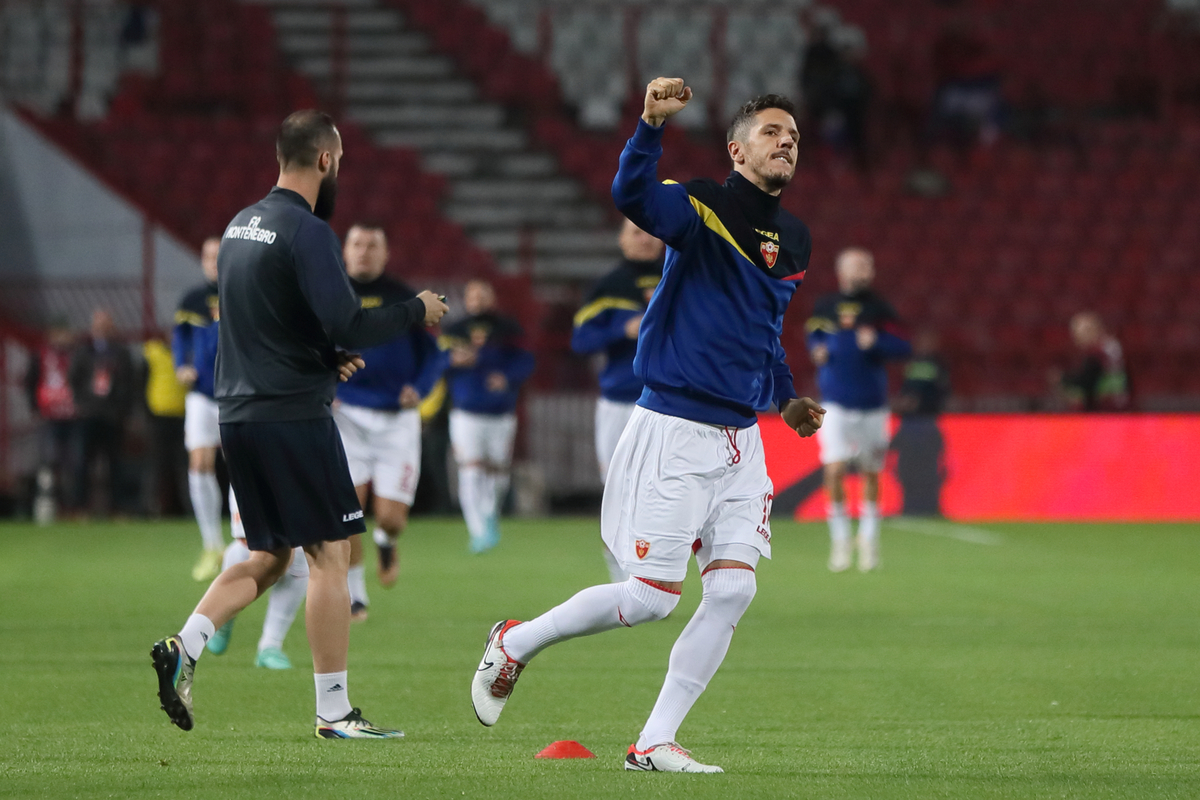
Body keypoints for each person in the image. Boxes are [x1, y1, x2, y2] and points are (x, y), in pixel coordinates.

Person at [470, 80, 824, 773]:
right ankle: (515, 641)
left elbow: (766, 330)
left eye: (794, 136)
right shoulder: (702, 206)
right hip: (676, 429)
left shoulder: (797, 237)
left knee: (733, 589)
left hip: (742, 441)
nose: (786, 141)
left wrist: (783, 399)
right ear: (737, 150)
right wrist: (649, 126)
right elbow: (633, 198)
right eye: (771, 132)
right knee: (651, 599)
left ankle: (654, 741)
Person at [150, 109, 449, 739]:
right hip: (292, 418)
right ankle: (334, 712)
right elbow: (349, 322)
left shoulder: (239, 226)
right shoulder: (306, 230)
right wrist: (414, 309)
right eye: (338, 162)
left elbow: (262, 325)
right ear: (324, 161)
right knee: (330, 555)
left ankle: (186, 645)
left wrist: (319, 361)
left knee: (267, 554)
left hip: (239, 415)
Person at [333, 221, 446, 620]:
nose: (364, 251)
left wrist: (421, 385)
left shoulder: (406, 300)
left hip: (397, 419)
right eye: (357, 244)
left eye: (372, 245)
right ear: (345, 251)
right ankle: (356, 595)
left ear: (385, 253)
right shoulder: (331, 296)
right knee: (348, 511)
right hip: (345, 414)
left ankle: (386, 541)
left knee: (391, 518)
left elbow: (437, 354)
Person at [806, 248, 911, 572]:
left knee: (870, 471)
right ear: (842, 271)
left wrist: (877, 342)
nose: (861, 272)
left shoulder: (880, 308)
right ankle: (840, 539)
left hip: (873, 405)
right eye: (856, 266)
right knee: (835, 469)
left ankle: (868, 538)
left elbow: (904, 346)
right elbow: (814, 335)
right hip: (835, 402)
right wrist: (816, 349)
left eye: (866, 266)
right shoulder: (825, 305)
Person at [571, 218, 664, 582]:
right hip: (618, 402)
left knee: (660, 490)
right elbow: (581, 341)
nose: (645, 239)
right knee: (616, 491)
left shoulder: (680, 274)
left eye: (650, 232)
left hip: (667, 404)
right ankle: (620, 579)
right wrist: (619, 330)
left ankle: (653, 575)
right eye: (636, 232)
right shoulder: (608, 286)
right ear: (621, 238)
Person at [440, 279, 535, 553]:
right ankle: (477, 530)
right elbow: (436, 361)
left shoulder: (508, 329)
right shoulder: (454, 328)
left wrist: (507, 377)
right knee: (470, 468)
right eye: (473, 295)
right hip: (465, 412)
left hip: (500, 412)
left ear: (492, 297)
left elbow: (526, 361)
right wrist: (452, 360)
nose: (477, 300)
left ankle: (489, 514)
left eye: (483, 294)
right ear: (466, 298)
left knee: (497, 470)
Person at [173, 237, 227, 580]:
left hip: (236, 395)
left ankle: (247, 541)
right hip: (202, 395)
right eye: (208, 256)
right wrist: (182, 365)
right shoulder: (192, 300)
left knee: (243, 466)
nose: (213, 261)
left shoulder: (244, 292)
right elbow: (180, 338)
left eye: (219, 255)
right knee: (200, 462)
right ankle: (212, 544)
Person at [69, 308, 134, 516]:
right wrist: (81, 404)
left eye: (106, 324)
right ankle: (81, 508)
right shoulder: (83, 351)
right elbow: (73, 379)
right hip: (88, 415)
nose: (102, 328)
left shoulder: (121, 352)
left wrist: (122, 409)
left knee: (115, 463)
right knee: (83, 462)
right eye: (98, 324)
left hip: (112, 416)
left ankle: (117, 508)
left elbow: (129, 383)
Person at [891, 328, 950, 516]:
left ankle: (931, 507)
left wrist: (916, 402)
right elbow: (906, 389)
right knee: (907, 467)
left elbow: (939, 391)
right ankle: (908, 506)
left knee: (927, 468)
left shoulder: (937, 364)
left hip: (926, 420)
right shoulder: (913, 363)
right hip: (910, 422)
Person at [24, 320, 78, 515]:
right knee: (48, 459)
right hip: (48, 414)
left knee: (72, 461)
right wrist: (35, 407)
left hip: (74, 415)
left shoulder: (76, 355)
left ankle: (71, 505)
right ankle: (45, 503)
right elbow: (30, 381)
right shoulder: (40, 355)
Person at [141, 335, 190, 517]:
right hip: (159, 417)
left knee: (184, 464)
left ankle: (188, 507)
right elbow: (141, 384)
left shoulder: (187, 353)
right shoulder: (151, 353)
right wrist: (146, 414)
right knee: (157, 464)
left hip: (184, 416)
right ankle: (151, 507)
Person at [1055, 311, 1131, 411]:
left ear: (1096, 329)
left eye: (1083, 332)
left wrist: (1062, 379)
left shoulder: (1096, 353)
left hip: (1104, 411)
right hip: (1120, 407)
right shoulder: (1113, 347)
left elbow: (1087, 381)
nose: (1078, 337)